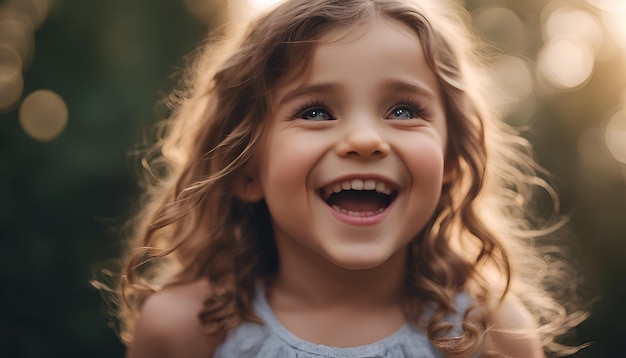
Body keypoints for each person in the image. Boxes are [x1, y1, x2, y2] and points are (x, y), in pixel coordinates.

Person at [104, 0, 586, 356]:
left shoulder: (491, 334)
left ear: (453, 159)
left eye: (403, 110)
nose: (363, 139)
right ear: (246, 167)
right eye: (315, 111)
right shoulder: (183, 332)